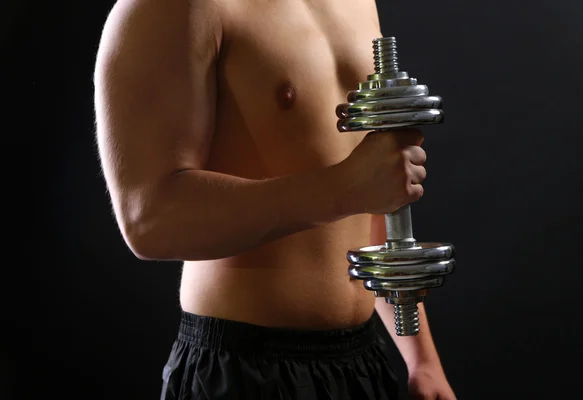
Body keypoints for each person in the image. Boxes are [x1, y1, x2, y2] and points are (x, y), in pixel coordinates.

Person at [94, 0, 456, 398]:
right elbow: (148, 219)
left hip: (364, 362)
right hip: (243, 369)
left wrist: (422, 360)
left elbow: (371, 194)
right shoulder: (173, 7)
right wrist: (342, 188)